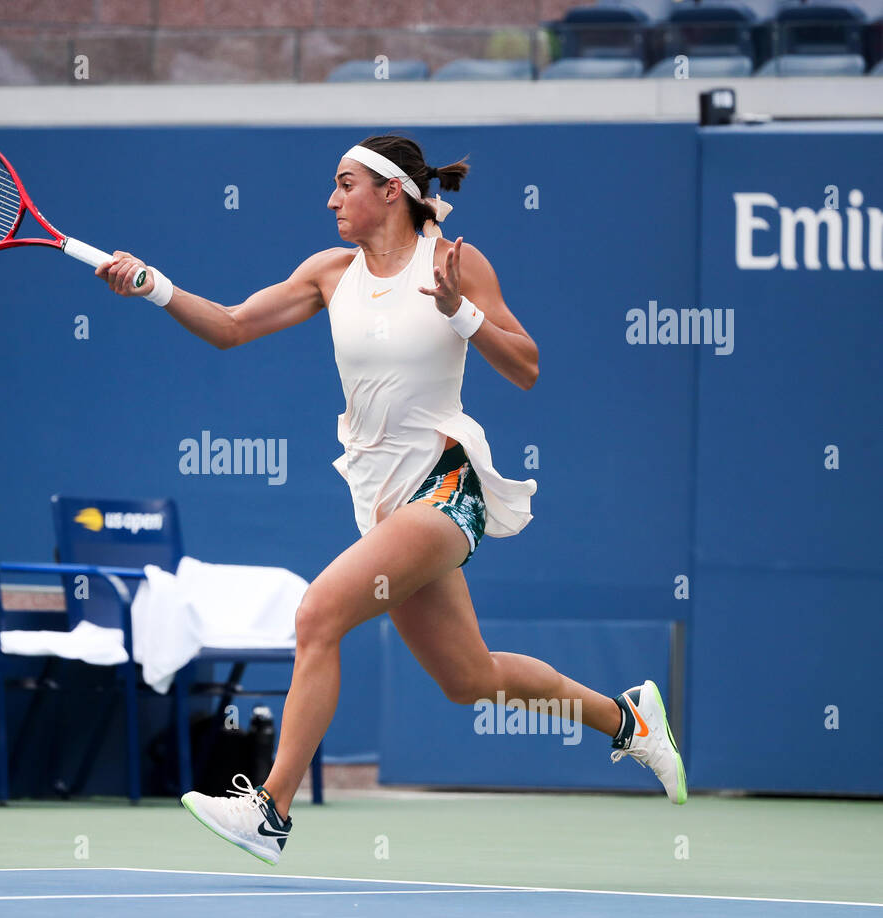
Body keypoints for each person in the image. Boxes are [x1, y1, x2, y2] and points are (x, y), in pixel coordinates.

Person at [95, 134, 686, 866]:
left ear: (391, 192)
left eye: (345, 185)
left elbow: (527, 365)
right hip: (380, 504)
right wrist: (151, 284)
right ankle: (629, 719)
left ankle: (269, 809)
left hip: (445, 488)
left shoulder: (454, 264)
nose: (332, 200)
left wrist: (458, 310)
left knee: (317, 612)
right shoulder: (328, 273)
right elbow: (232, 325)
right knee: (469, 679)